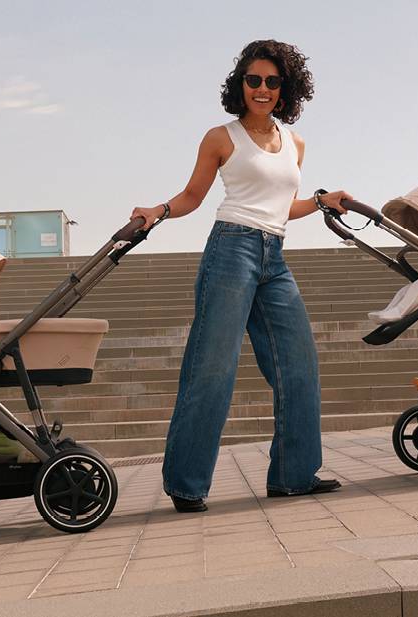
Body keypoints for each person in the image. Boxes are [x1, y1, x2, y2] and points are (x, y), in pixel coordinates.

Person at [128, 40, 352, 513]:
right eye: (254, 80)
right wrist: (157, 211)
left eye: (272, 81)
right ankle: (186, 485)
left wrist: (320, 202)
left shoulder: (296, 143)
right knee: (212, 368)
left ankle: (294, 476)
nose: (262, 89)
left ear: (286, 88)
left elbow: (281, 207)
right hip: (231, 250)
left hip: (275, 258)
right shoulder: (221, 137)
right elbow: (193, 196)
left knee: (299, 365)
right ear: (241, 84)